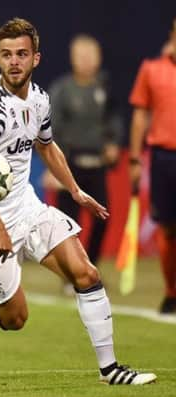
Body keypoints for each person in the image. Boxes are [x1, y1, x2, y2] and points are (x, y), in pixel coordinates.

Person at [0, 17, 155, 385]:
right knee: (14, 319)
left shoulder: (39, 99)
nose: (14, 61)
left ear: (36, 58)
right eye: (6, 55)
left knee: (86, 273)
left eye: (22, 54)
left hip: (26, 207)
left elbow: (46, 144)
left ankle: (110, 369)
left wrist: (74, 189)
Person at [45, 34, 123, 295]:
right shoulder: (62, 90)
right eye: (82, 55)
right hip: (70, 165)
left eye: (92, 55)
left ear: (99, 58)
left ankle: (89, 270)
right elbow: (51, 129)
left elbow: (114, 119)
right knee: (69, 224)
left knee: (103, 217)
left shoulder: (105, 87)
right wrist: (54, 166)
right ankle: (70, 277)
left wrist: (113, 143)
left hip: (97, 163)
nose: (87, 61)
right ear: (73, 58)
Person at [128, 17, 176, 314]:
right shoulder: (151, 69)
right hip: (163, 158)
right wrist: (134, 159)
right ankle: (172, 292)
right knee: (169, 229)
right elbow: (139, 117)